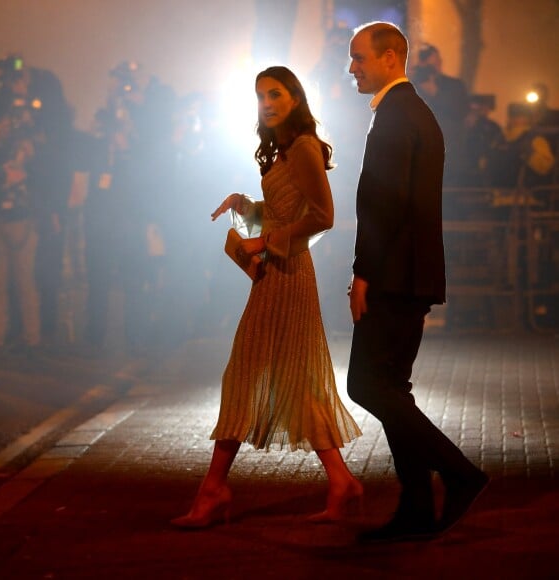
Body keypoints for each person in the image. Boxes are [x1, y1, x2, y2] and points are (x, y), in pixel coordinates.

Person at [171, 66, 363, 529]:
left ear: (295, 97)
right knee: (291, 378)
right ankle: (340, 481)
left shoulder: (303, 148)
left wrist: (264, 241)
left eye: (275, 94)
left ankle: (214, 490)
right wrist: (247, 209)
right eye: (260, 96)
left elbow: (323, 216)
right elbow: (284, 213)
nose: (267, 103)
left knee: (248, 373)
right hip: (278, 275)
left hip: (288, 274)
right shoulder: (285, 149)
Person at [346, 22, 488, 542]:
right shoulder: (414, 114)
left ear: (390, 59)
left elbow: (383, 204)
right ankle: (415, 508)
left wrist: (362, 272)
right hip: (412, 273)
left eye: (359, 58)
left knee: (366, 385)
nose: (352, 68)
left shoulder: (396, 117)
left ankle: (459, 473)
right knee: (389, 388)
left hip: (394, 276)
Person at [412, 43, 468, 186]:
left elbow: (459, 111)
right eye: (425, 64)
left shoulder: (454, 86)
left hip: (448, 152)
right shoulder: (410, 86)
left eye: (434, 61)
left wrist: (435, 93)